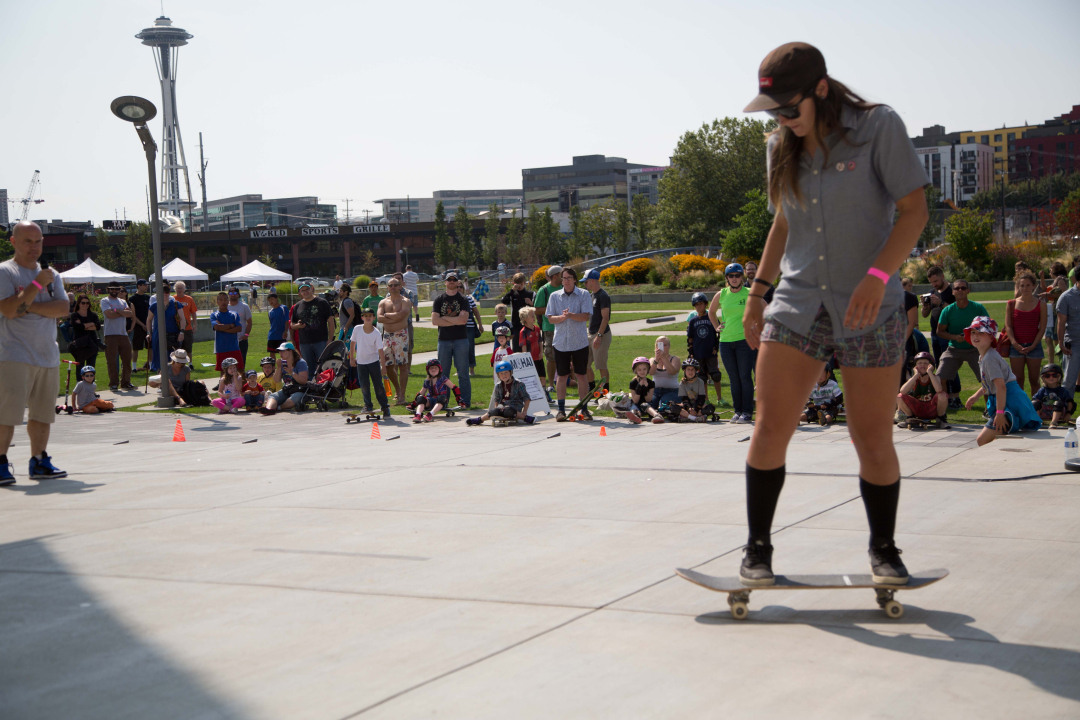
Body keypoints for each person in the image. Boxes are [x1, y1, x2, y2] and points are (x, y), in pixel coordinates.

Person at [739, 42, 930, 587]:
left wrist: (878, 276)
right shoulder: (781, 145)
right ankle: (757, 551)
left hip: (869, 304)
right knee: (770, 426)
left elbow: (914, 211)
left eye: (788, 108)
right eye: (773, 110)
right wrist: (757, 293)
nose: (781, 119)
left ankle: (885, 551)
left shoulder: (878, 127)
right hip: (797, 302)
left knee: (871, 438)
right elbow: (782, 223)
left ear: (820, 89)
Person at [0, 221, 71, 483]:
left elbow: (63, 309)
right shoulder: (6, 272)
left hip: (47, 355)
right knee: (7, 414)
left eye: (38, 241)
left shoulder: (51, 274)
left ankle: (39, 461)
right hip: (14, 354)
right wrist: (37, 287)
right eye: (28, 241)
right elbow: (8, 311)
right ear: (14, 242)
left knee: (42, 414)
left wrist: (27, 305)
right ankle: (0, 462)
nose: (34, 247)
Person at [963, 317, 1041, 446]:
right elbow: (989, 384)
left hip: (1010, 402)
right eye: (973, 332)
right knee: (995, 441)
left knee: (982, 440)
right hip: (1006, 400)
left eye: (981, 332)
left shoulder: (990, 359)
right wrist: (976, 396)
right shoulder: (985, 356)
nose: (976, 335)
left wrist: (1000, 414)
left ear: (991, 337)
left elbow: (1001, 387)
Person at [547, 267, 593, 421]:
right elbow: (550, 318)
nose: (566, 281)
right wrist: (561, 318)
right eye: (563, 278)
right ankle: (561, 410)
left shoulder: (584, 294)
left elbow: (586, 316)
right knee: (561, 376)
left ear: (574, 279)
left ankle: (584, 409)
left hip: (579, 342)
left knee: (581, 375)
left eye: (568, 278)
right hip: (561, 342)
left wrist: (571, 315)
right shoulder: (555, 296)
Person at [935, 280, 989, 408]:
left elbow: (988, 327)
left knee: (987, 377)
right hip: (954, 348)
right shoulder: (948, 310)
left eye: (963, 288)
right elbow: (939, 332)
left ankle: (990, 408)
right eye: (957, 288)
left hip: (975, 349)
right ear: (953, 291)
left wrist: (974, 337)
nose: (960, 291)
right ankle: (943, 407)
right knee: (940, 376)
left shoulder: (978, 308)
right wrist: (954, 337)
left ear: (968, 291)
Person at [713, 265, 753, 421]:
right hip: (725, 342)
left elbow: (764, 309)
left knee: (745, 377)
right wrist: (716, 325)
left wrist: (756, 324)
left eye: (737, 275)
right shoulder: (721, 294)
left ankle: (747, 412)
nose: (734, 278)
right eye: (731, 275)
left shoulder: (749, 293)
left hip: (744, 341)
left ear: (742, 277)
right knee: (734, 378)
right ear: (727, 278)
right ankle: (738, 411)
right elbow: (711, 312)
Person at [431, 272, 472, 407]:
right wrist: (456, 320)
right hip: (443, 340)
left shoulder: (463, 299)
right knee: (443, 374)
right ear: (445, 282)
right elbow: (434, 321)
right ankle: (444, 402)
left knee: (463, 373)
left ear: (458, 282)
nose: (452, 282)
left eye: (454, 280)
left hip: (461, 340)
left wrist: (444, 318)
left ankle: (465, 402)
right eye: (449, 280)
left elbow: (463, 320)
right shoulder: (439, 299)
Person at [1005, 272, 1047, 395]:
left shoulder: (1041, 304)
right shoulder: (1011, 303)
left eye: (1028, 285)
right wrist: (1015, 344)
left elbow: (1042, 327)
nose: (1025, 288)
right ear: (1018, 287)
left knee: (1034, 380)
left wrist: (1034, 345)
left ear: (1034, 286)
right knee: (1017, 380)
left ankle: (1035, 407)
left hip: (1034, 346)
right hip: (1016, 346)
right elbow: (1008, 326)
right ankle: (1020, 408)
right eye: (1022, 285)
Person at [921, 266, 958, 398]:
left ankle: (955, 395)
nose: (934, 284)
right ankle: (943, 394)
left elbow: (956, 312)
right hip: (935, 334)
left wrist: (941, 302)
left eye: (935, 281)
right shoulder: (932, 292)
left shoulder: (954, 290)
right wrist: (925, 306)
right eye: (931, 282)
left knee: (950, 365)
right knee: (939, 365)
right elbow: (925, 315)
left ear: (942, 276)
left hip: (948, 334)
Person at [350, 307, 391, 418]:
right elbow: (352, 343)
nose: (368, 318)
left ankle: (385, 406)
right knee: (364, 385)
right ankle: (368, 405)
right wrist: (352, 358)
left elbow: (380, 350)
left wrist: (383, 366)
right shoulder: (357, 329)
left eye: (370, 316)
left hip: (373, 362)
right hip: (361, 362)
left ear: (374, 318)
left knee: (378, 385)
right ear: (362, 317)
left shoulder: (376, 333)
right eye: (365, 316)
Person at [466, 360, 535, 426]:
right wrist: (497, 411)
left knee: (508, 410)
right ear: (498, 375)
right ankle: (479, 420)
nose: (504, 375)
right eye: (501, 373)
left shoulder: (519, 384)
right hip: (502, 407)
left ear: (511, 372)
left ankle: (525, 418)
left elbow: (526, 398)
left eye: (506, 372)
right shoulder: (498, 386)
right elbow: (497, 399)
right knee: (493, 411)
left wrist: (524, 411)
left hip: (514, 407)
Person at [378, 277, 413, 405]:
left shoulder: (406, 301)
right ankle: (397, 390)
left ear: (400, 286)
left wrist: (387, 315)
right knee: (387, 366)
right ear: (387, 287)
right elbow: (379, 318)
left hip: (401, 335)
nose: (393, 287)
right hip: (387, 335)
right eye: (390, 285)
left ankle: (402, 395)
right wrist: (394, 317)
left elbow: (402, 315)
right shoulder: (383, 302)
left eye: (395, 285)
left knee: (402, 365)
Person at [896, 352, 948, 428]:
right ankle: (910, 418)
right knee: (899, 396)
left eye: (926, 363)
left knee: (942, 395)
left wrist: (929, 372)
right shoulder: (914, 379)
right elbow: (902, 391)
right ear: (915, 366)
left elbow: (939, 390)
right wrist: (916, 375)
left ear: (931, 366)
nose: (922, 365)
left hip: (932, 409)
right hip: (917, 409)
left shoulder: (935, 377)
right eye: (919, 363)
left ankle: (941, 419)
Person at [291, 281, 335, 371]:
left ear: (311, 289)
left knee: (325, 367)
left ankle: (326, 385)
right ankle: (312, 385)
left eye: (307, 289)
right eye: (302, 290)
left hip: (321, 341)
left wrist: (329, 340)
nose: (305, 292)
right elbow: (292, 324)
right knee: (309, 368)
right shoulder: (297, 306)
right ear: (299, 293)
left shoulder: (322, 302)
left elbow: (331, 322)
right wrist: (298, 326)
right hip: (304, 343)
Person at [100, 281, 134, 391]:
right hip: (110, 334)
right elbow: (109, 315)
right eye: (112, 289)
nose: (114, 291)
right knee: (111, 361)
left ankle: (125, 382)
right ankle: (113, 383)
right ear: (108, 289)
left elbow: (130, 314)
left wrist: (116, 310)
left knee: (127, 359)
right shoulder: (105, 300)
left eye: (116, 289)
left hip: (123, 334)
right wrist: (122, 312)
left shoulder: (123, 301)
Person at [533, 265, 563, 389]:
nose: (564, 277)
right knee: (551, 358)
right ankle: (550, 384)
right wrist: (552, 308)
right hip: (549, 328)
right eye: (562, 274)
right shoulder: (544, 290)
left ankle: (562, 383)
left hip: (564, 327)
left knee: (565, 357)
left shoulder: (564, 288)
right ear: (555, 276)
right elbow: (536, 310)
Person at [582, 269, 612, 393]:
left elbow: (605, 318)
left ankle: (605, 392)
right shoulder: (591, 295)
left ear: (593, 281)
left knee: (600, 365)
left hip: (601, 334)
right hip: (591, 332)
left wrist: (599, 335)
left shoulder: (603, 296)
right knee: (586, 364)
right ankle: (592, 391)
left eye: (586, 281)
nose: (584, 284)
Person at [259, 343, 309, 414]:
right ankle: (268, 409)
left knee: (296, 398)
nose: (280, 353)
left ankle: (278, 407)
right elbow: (276, 380)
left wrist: (291, 372)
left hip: (299, 389)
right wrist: (279, 367)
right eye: (279, 351)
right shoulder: (283, 363)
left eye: (283, 351)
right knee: (274, 396)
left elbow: (303, 381)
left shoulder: (301, 363)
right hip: (287, 389)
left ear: (290, 351)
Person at [146, 283, 185, 372]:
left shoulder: (176, 304)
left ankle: (173, 379)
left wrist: (182, 332)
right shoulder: (154, 305)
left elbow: (182, 319)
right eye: (163, 292)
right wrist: (149, 333)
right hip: (158, 334)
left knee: (172, 358)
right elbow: (149, 319)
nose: (165, 294)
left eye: (167, 292)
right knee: (159, 358)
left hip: (172, 335)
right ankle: (161, 379)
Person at [413, 358, 462, 423]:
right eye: (431, 368)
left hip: (441, 402)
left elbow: (454, 388)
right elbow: (421, 393)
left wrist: (459, 400)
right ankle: (418, 415)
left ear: (439, 369)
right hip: (430, 401)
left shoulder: (443, 379)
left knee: (442, 397)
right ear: (428, 370)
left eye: (435, 368)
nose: (433, 369)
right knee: (421, 398)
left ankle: (430, 414)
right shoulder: (427, 381)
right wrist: (413, 404)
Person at [1055, 268, 1080, 394]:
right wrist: (1061, 343)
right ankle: (1065, 413)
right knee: (1069, 383)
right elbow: (1061, 323)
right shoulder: (1066, 297)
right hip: (1074, 345)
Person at [1039, 262, 1069, 364]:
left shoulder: (1060, 279)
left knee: (1056, 340)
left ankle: (1063, 362)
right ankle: (1051, 364)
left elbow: (1064, 293)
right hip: (1051, 312)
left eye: (1051, 269)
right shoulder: (1056, 280)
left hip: (1057, 313)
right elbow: (1045, 288)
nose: (1050, 271)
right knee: (1048, 339)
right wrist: (1042, 277)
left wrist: (1047, 294)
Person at [500, 273, 534, 353]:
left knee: (528, 349)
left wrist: (531, 304)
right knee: (516, 349)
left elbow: (536, 309)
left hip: (528, 325)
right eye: (518, 284)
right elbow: (504, 301)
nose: (520, 286)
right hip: (516, 325)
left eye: (521, 284)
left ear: (525, 283)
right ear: (514, 284)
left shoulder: (530, 294)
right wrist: (512, 290)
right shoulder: (513, 295)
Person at [1032, 363, 1074, 428]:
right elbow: (1034, 401)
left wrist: (1068, 413)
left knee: (1058, 403)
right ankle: (1038, 421)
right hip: (1045, 412)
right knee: (1034, 402)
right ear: (1043, 378)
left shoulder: (1063, 391)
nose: (1051, 377)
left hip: (1059, 412)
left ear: (1059, 377)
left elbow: (1070, 402)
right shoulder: (1042, 390)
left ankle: (1054, 422)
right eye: (1047, 376)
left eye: (1054, 375)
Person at [625, 356, 664, 424]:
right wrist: (639, 387)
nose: (642, 372)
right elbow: (635, 400)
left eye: (644, 369)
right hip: (637, 404)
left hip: (648, 404)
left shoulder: (651, 383)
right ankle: (636, 416)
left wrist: (645, 388)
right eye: (639, 370)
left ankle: (657, 415)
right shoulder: (633, 383)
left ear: (648, 369)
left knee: (645, 405)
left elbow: (648, 399)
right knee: (634, 408)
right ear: (636, 371)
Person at [210, 292, 243, 370]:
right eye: (221, 300)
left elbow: (239, 328)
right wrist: (231, 326)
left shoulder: (234, 314)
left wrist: (223, 328)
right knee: (223, 372)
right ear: (217, 302)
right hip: (221, 348)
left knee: (240, 370)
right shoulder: (214, 315)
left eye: (225, 299)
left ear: (228, 301)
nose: (223, 302)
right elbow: (217, 327)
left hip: (234, 347)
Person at [69, 293, 102, 370]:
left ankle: (90, 382)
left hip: (92, 344)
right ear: (79, 303)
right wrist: (91, 324)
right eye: (83, 303)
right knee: (80, 367)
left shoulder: (93, 315)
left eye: (87, 303)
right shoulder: (74, 315)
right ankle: (80, 382)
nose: (85, 304)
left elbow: (98, 327)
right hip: (80, 344)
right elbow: (77, 327)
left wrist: (83, 325)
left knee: (91, 368)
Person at [650, 335, 682, 412]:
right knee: (649, 404)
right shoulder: (652, 359)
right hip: (655, 391)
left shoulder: (675, 359)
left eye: (665, 345)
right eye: (660, 345)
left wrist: (664, 358)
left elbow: (672, 372)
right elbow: (651, 372)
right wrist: (656, 360)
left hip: (671, 390)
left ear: (669, 346)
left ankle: (659, 414)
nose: (663, 347)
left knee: (664, 405)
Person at [673, 358, 709, 422]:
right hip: (687, 406)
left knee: (710, 408)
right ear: (684, 370)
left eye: (692, 370)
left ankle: (687, 417)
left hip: (698, 405)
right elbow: (684, 399)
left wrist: (695, 409)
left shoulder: (700, 382)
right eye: (688, 369)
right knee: (673, 406)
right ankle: (695, 418)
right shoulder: (682, 383)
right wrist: (690, 408)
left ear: (696, 371)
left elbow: (701, 398)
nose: (690, 372)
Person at [227, 286, 253, 371]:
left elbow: (250, 322)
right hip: (229, 339)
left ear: (238, 295)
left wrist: (246, 335)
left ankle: (241, 381)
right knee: (229, 363)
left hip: (242, 339)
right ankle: (229, 382)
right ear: (228, 295)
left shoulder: (244, 306)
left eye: (235, 293)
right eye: (231, 293)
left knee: (241, 362)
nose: (233, 295)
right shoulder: (226, 307)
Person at [129, 279, 152, 370]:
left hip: (148, 326)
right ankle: (134, 367)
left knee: (150, 346)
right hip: (137, 326)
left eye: (147, 285)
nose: (146, 287)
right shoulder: (132, 299)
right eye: (144, 285)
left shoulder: (148, 298)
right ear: (139, 286)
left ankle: (150, 366)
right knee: (136, 347)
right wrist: (142, 325)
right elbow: (132, 315)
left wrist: (148, 325)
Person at [173, 281, 197, 359]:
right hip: (175, 328)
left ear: (184, 289)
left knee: (188, 348)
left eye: (181, 288)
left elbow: (193, 313)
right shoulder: (172, 299)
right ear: (175, 289)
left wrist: (195, 325)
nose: (179, 290)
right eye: (178, 288)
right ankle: (177, 363)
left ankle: (190, 364)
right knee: (177, 348)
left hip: (187, 328)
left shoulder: (189, 299)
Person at [266, 290, 289, 355]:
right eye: (269, 300)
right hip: (272, 336)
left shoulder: (283, 308)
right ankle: (272, 365)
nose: (271, 301)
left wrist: (285, 331)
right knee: (272, 353)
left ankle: (283, 365)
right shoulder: (270, 312)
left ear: (276, 299)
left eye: (272, 299)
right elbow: (271, 324)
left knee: (283, 353)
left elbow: (287, 321)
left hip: (281, 336)